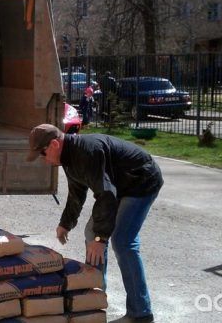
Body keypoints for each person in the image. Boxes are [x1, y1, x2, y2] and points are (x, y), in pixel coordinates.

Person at [27, 124, 162, 323]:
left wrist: (101, 239)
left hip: (141, 182)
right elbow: (77, 192)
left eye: (42, 154)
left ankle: (141, 313)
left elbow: (106, 196)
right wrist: (66, 223)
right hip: (120, 185)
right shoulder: (68, 156)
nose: (44, 160)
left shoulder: (87, 153)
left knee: (123, 242)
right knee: (92, 233)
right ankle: (93, 301)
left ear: (54, 144)